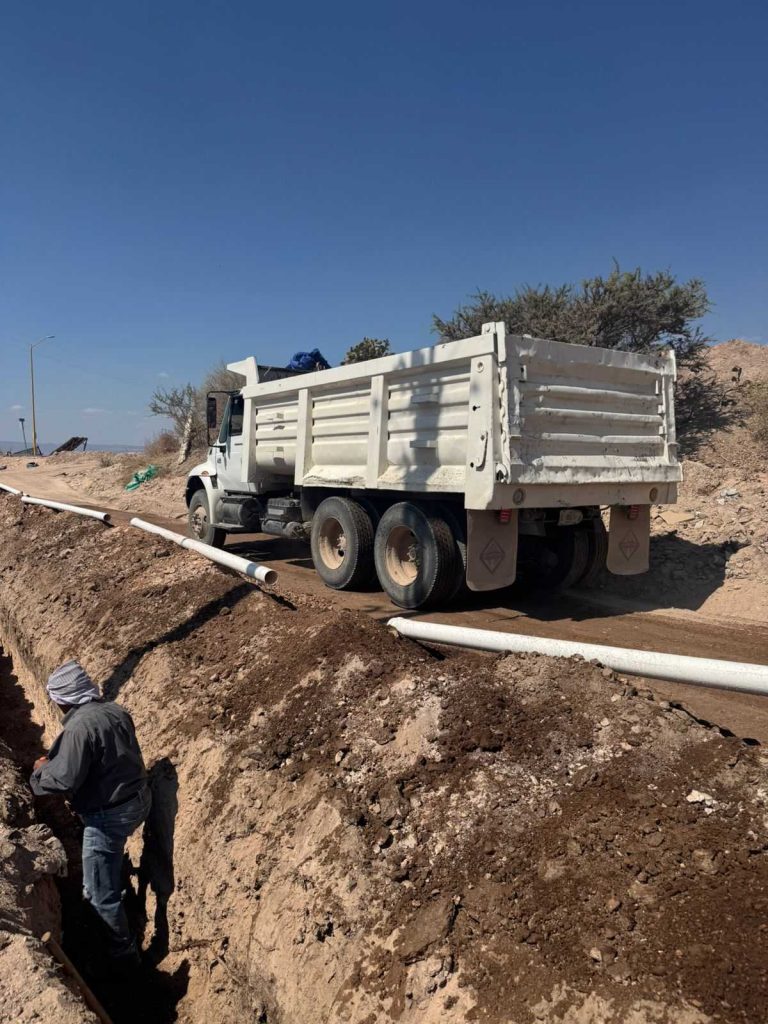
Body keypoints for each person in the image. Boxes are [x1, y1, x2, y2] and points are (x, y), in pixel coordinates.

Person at [30, 659, 150, 969]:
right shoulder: (115, 710)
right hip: (138, 800)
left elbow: (64, 779)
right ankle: (115, 883)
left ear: (63, 699)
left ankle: (123, 956)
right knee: (107, 865)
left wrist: (40, 773)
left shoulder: (79, 728)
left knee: (98, 895)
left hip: (109, 815)